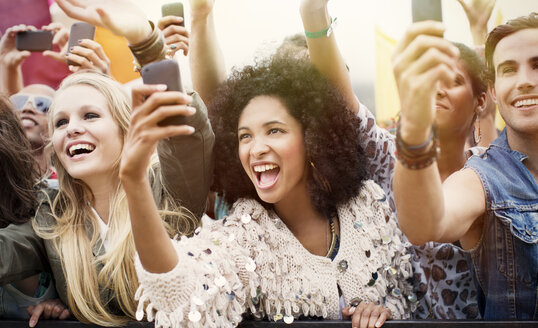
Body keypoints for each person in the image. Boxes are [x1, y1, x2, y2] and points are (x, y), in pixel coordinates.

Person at [121, 54, 414, 328]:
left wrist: (383, 314)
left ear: (313, 137)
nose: (256, 149)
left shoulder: (366, 204)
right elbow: (176, 292)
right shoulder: (245, 237)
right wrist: (133, 180)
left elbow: (407, 300)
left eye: (274, 130)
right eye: (245, 136)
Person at [392, 13, 538, 320]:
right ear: (495, 92)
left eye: (537, 66)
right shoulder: (484, 178)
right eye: (509, 70)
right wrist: (416, 125)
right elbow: (427, 224)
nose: (524, 80)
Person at [0, 96, 69, 325]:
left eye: (43, 104)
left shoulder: (51, 205)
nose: (28, 107)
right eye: (19, 101)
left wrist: (68, 304)